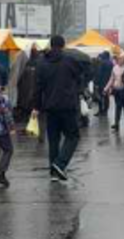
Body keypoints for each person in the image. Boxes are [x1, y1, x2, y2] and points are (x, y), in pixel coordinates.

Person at [34, 36, 86, 182]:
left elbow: (37, 88)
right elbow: (81, 76)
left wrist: (36, 107)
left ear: (51, 45)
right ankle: (60, 164)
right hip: (68, 105)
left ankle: (53, 172)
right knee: (73, 136)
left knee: (53, 140)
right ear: (63, 45)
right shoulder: (70, 60)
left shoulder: (42, 63)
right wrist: (78, 89)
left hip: (50, 107)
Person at [105, 53, 124, 132]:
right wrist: (106, 88)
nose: (119, 60)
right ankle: (116, 124)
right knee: (118, 107)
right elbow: (111, 79)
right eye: (119, 59)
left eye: (121, 59)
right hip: (116, 90)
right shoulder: (115, 68)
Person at [93, 52, 114, 121]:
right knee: (106, 98)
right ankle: (105, 111)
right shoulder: (111, 63)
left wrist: (96, 82)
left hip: (101, 83)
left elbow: (99, 73)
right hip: (108, 83)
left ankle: (100, 111)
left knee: (100, 97)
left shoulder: (102, 63)